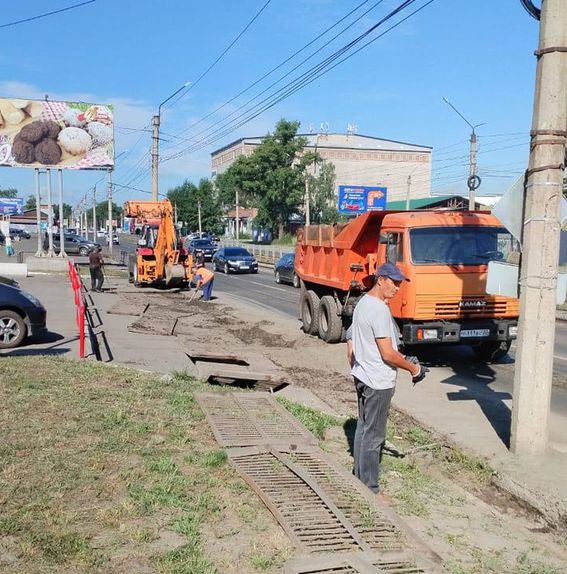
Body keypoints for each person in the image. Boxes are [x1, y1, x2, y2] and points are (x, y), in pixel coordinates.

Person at [350, 262, 427, 499]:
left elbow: (355, 344)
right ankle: (371, 489)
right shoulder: (379, 310)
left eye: (400, 283)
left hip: (363, 375)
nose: (397, 288)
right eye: (394, 283)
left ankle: (358, 477)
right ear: (380, 279)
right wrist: (414, 369)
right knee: (374, 436)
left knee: (363, 427)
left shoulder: (363, 303)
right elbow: (387, 354)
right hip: (377, 382)